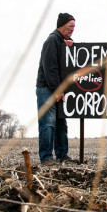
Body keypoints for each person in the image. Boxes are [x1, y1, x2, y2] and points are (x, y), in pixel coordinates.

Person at [36, 12, 75, 165]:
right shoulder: (52, 41)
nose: (72, 29)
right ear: (61, 25)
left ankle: (62, 155)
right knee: (48, 123)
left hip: (57, 89)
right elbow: (49, 67)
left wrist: (70, 42)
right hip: (47, 89)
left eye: (74, 27)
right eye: (70, 26)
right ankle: (46, 157)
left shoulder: (61, 41)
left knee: (61, 123)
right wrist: (57, 89)